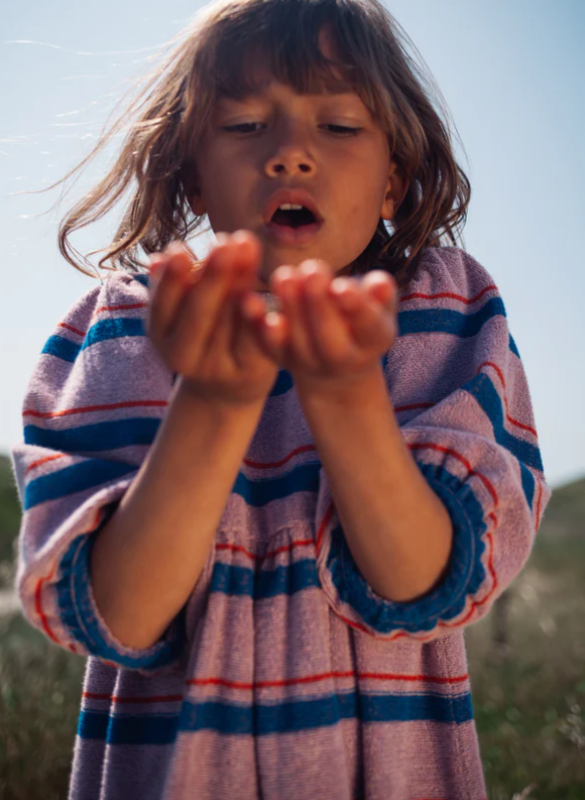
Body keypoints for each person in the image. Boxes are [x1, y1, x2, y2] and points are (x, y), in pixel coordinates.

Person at [11, 0, 551, 797]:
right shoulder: (126, 325)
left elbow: (425, 581)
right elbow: (115, 613)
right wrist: (216, 402)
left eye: (337, 127)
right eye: (243, 127)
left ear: (394, 176)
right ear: (191, 169)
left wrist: (343, 395)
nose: (291, 154)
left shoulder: (448, 309)